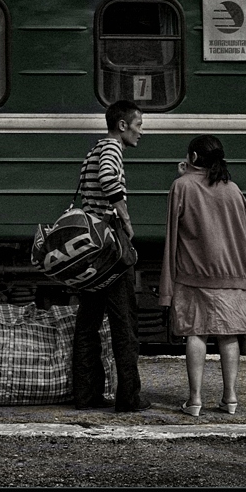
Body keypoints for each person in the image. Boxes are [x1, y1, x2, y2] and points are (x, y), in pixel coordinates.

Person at [159, 135, 246, 417]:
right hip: (235, 275)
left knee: (196, 334)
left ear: (193, 158)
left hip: (194, 276)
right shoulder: (233, 190)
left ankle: (194, 401)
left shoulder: (181, 187)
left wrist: (166, 289)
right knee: (229, 337)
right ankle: (230, 399)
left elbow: (172, 236)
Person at [71, 99, 150, 413]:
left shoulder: (95, 148)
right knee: (124, 321)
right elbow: (108, 178)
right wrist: (126, 220)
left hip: (92, 243)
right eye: (139, 125)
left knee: (88, 322)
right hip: (109, 242)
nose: (141, 132)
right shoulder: (112, 149)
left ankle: (86, 395)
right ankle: (129, 398)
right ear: (123, 125)